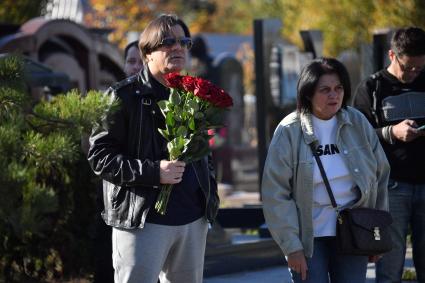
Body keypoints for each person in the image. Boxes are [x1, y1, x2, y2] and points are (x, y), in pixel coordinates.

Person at [87, 14, 219, 283]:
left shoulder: (191, 95)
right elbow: (99, 157)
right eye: (168, 42)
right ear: (146, 53)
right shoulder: (123, 96)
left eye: (184, 41)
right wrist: (153, 172)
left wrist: (209, 201)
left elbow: (205, 155)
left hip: (192, 221)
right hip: (143, 221)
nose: (178, 48)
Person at [261, 57, 390, 283]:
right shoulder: (289, 130)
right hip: (309, 240)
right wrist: (291, 247)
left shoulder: (357, 122)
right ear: (309, 93)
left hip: (354, 232)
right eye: (325, 90)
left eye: (338, 88)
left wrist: (375, 230)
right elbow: (275, 194)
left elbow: (380, 175)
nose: (334, 95)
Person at [353, 27, 425, 283]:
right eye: (408, 68)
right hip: (391, 188)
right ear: (392, 56)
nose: (414, 73)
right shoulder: (372, 88)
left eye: (419, 68)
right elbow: (357, 137)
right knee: (390, 267)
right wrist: (391, 132)